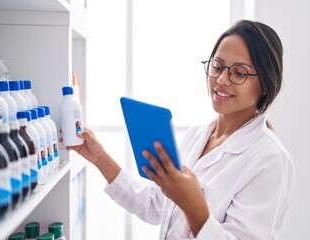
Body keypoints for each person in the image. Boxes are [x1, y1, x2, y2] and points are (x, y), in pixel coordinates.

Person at [63, 19, 295, 239]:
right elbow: (157, 205)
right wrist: (100, 158)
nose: (222, 79)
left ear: (265, 84)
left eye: (239, 72)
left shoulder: (270, 160)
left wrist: (195, 208)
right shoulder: (197, 135)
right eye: (218, 66)